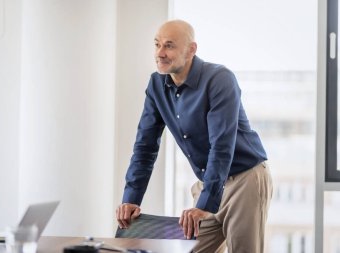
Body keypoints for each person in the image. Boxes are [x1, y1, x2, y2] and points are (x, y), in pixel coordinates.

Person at [115, 19, 273, 253]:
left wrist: (205, 203)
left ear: (191, 50)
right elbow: (145, 146)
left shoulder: (220, 79)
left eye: (169, 46)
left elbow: (221, 145)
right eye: (157, 44)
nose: (160, 53)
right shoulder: (157, 84)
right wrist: (131, 198)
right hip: (207, 181)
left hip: (244, 180)